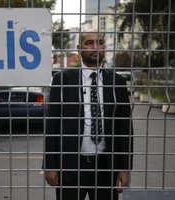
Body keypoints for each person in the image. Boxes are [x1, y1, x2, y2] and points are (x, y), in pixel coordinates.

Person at [43, 30, 133, 200]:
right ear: (79, 48)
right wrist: (50, 165)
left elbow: (125, 128)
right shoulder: (62, 80)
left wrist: (124, 168)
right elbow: (52, 125)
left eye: (100, 43)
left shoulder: (117, 82)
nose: (96, 47)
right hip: (70, 167)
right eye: (89, 43)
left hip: (106, 169)